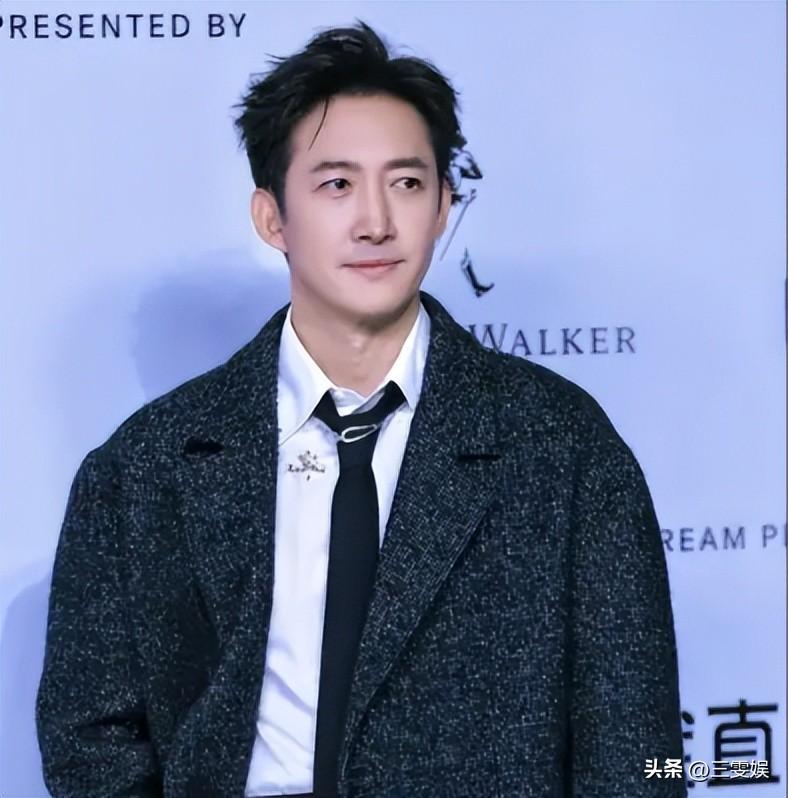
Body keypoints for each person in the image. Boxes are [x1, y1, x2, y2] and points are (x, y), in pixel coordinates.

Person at [36, 19, 686, 798]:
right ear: (272, 217)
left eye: (407, 183)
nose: (376, 221)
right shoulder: (147, 465)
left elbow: (636, 751)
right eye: (336, 185)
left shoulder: (562, 445)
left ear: (444, 206)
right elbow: (92, 738)